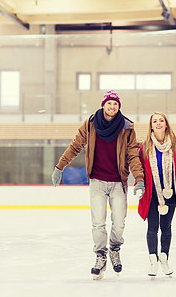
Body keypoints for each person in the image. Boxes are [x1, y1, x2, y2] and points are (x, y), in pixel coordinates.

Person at [51, 90, 145, 280]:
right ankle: (101, 255)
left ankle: (115, 249)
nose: (112, 107)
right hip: (97, 180)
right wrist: (60, 166)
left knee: (119, 223)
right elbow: (75, 146)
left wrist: (139, 178)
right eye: (109, 103)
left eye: (115, 104)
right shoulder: (91, 123)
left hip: (118, 181)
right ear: (103, 105)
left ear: (119, 107)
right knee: (98, 223)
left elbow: (133, 154)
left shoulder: (126, 127)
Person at [138, 112, 176, 277]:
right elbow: (139, 170)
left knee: (166, 227)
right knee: (152, 227)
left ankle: (164, 258)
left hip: (170, 193)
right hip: (152, 194)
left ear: (166, 124)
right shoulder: (144, 147)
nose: (158, 123)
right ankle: (153, 261)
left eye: (161, 120)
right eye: (155, 121)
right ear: (151, 126)